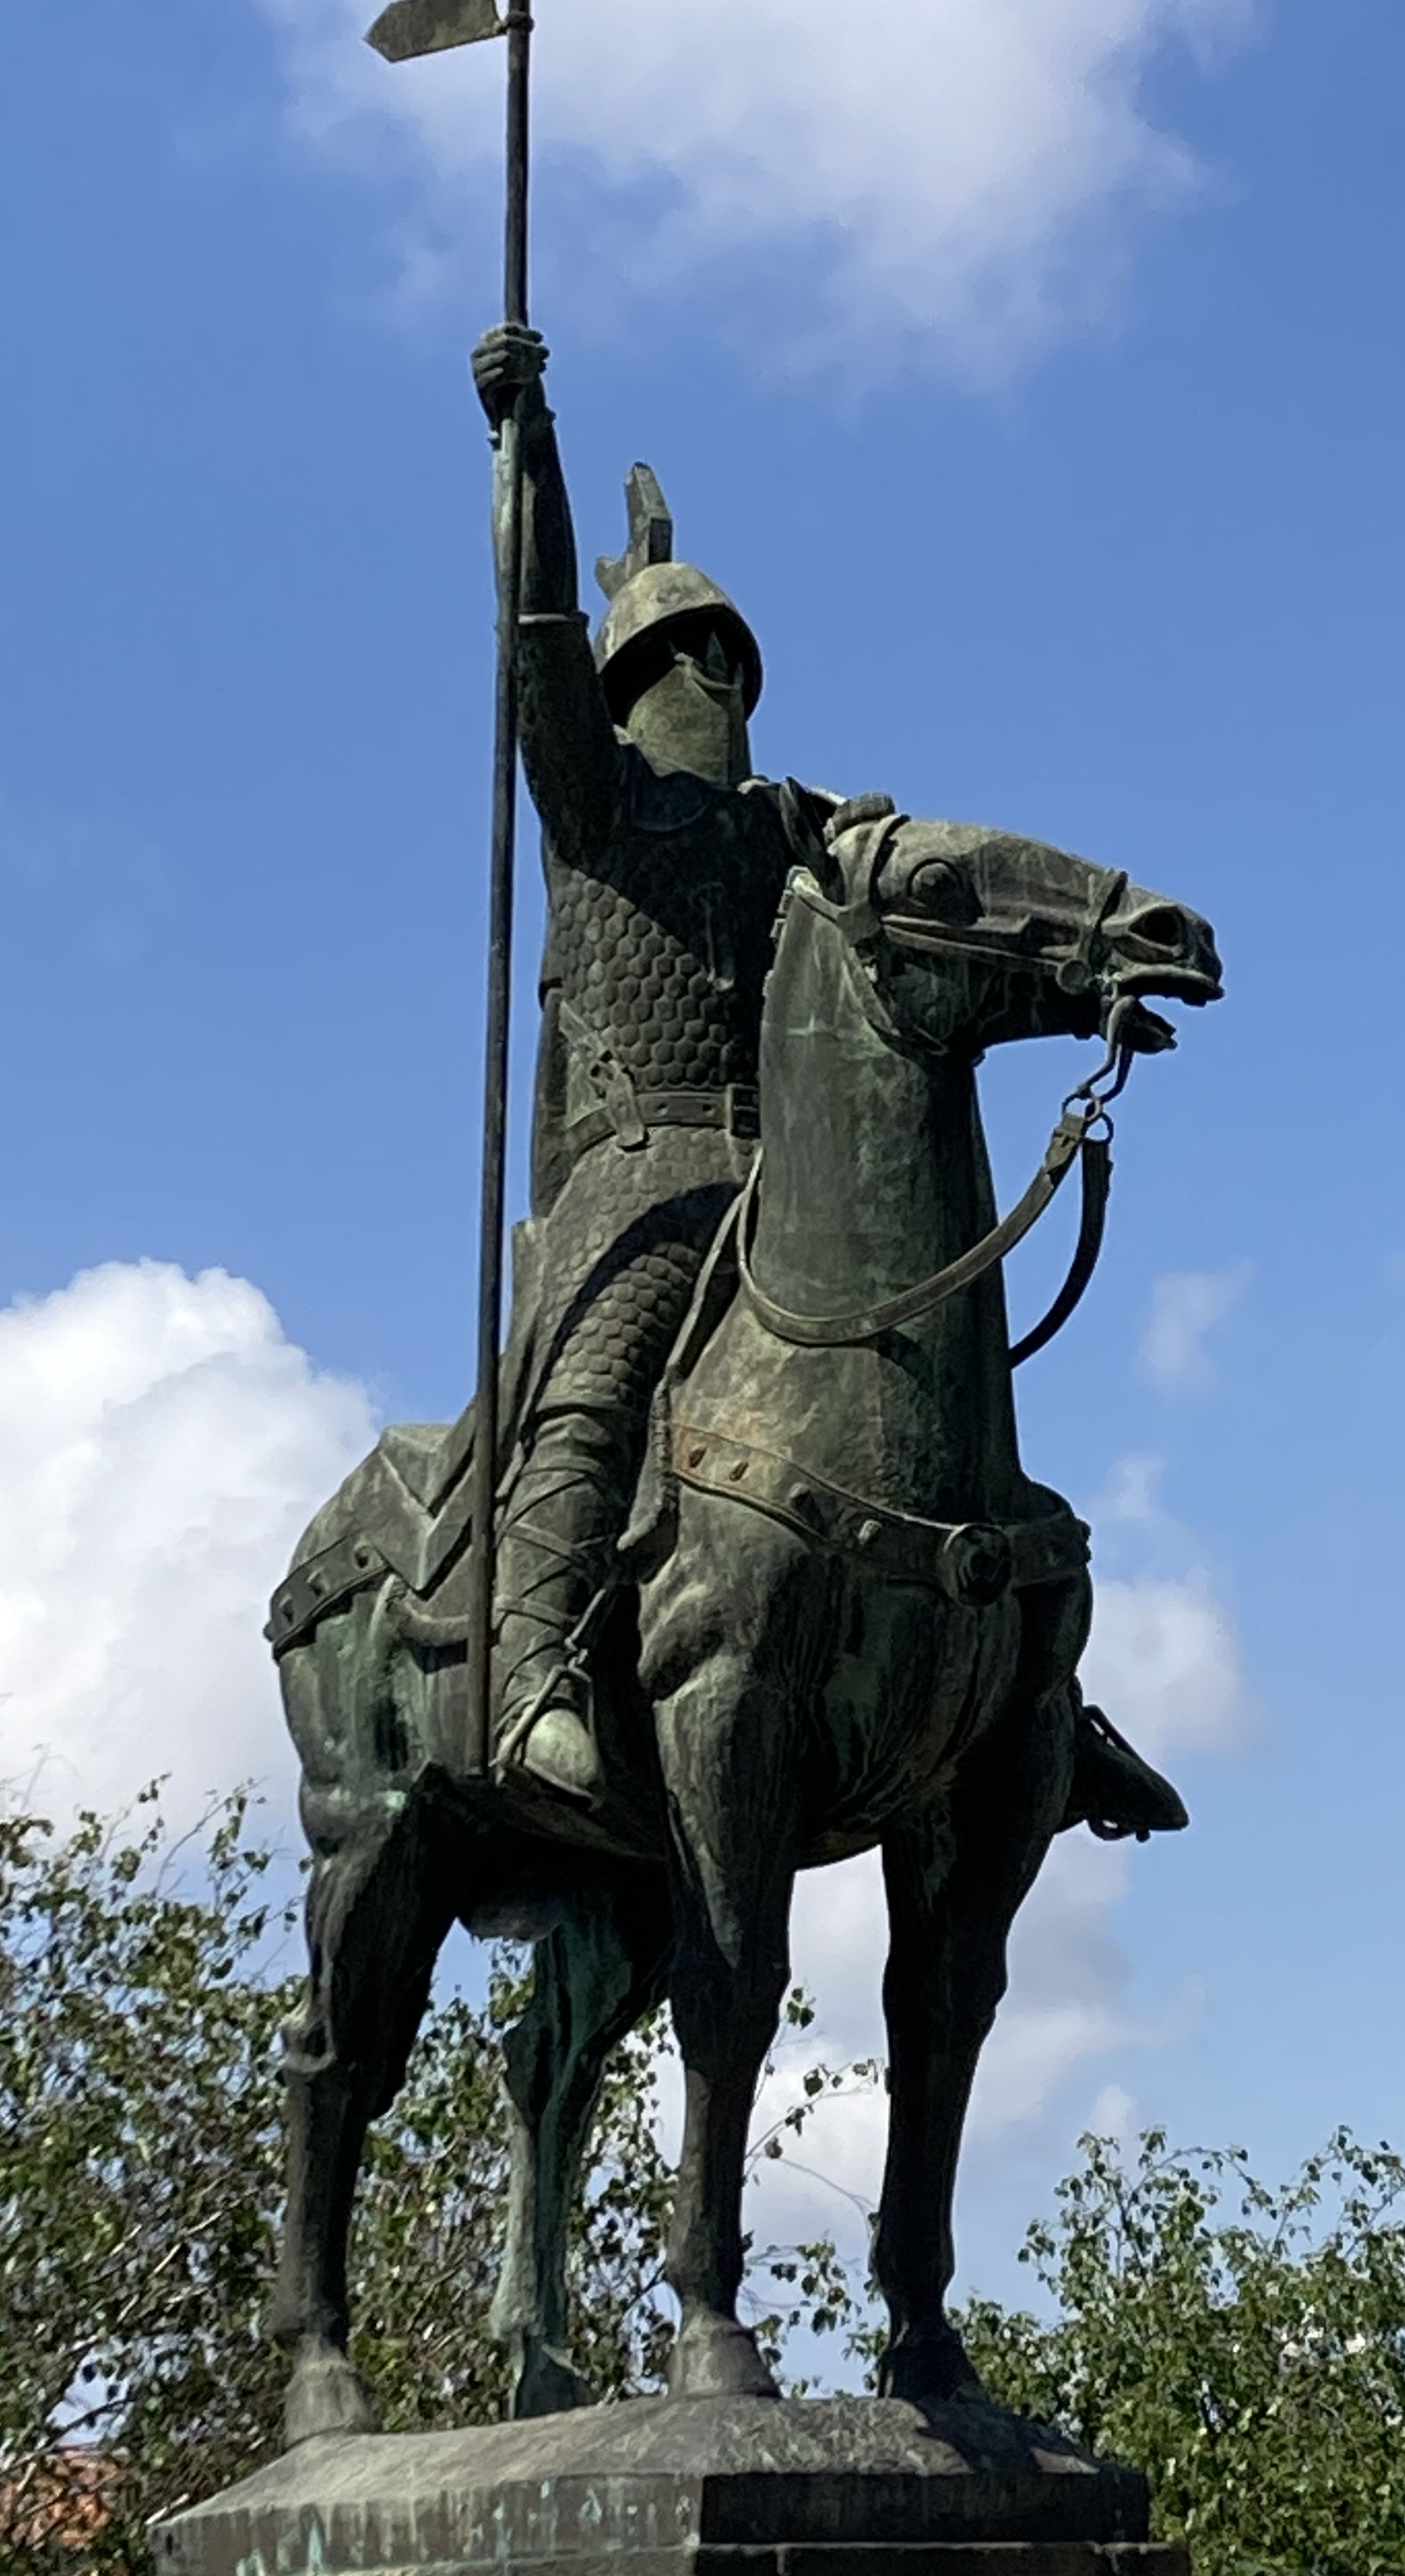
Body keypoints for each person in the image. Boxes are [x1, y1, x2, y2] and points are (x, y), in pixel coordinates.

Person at [473, 324, 1183, 1845]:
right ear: (638, 680)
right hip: (641, 1179)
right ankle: (533, 1676)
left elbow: (941, 923)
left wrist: (1085, 981)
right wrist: (527, 440)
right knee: (595, 1399)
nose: (712, 677)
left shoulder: (805, 828)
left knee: (943, 1400)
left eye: (725, 656)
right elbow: (534, 634)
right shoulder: (598, 805)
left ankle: (1040, 1695)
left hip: (801, 1185)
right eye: (686, 656)